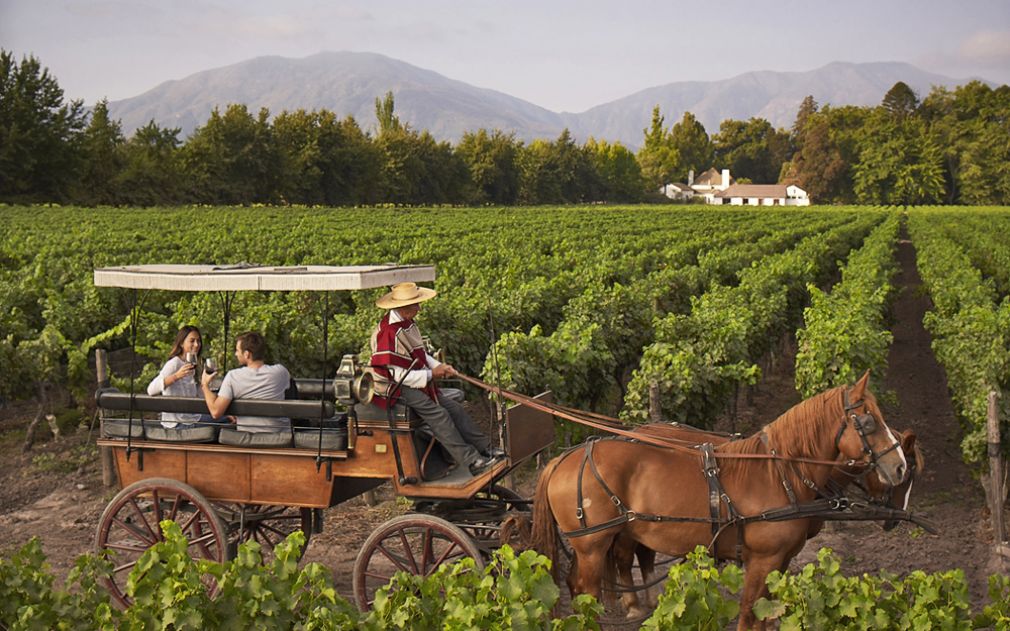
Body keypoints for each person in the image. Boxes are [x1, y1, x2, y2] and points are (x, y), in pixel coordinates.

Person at [369, 282, 504, 476]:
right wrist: (433, 374)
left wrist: (439, 367)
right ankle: (471, 461)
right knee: (438, 415)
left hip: (413, 378)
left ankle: (486, 448)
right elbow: (398, 376)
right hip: (394, 387)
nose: (419, 308)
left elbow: (420, 355)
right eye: (415, 304)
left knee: (455, 409)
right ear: (402, 307)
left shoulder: (406, 323)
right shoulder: (389, 333)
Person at [200, 332, 291, 433]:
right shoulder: (281, 372)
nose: (236, 354)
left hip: (247, 436)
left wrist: (205, 385)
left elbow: (215, 412)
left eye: (237, 350)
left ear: (247, 354)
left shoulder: (233, 376)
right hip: (279, 436)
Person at [147, 326, 212, 428]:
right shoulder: (174, 363)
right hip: (177, 423)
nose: (196, 344)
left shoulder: (195, 365)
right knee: (225, 422)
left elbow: (200, 395)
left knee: (226, 418)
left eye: (198, 341)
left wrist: (206, 384)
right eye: (192, 341)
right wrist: (177, 376)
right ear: (181, 343)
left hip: (192, 417)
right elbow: (151, 390)